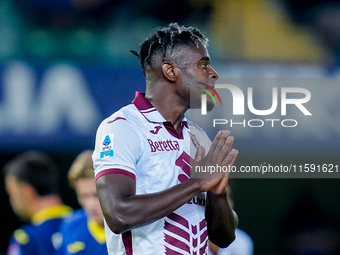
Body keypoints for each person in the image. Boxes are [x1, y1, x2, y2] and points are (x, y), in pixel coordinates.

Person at [93, 22, 239, 255]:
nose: (214, 74)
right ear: (171, 71)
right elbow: (119, 214)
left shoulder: (198, 137)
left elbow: (224, 238)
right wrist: (196, 184)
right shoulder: (123, 127)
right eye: (203, 65)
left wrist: (217, 194)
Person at [4, 150, 72, 255]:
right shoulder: (84, 225)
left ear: (26, 192)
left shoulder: (25, 239)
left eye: (11, 193)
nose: (11, 201)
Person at [57, 150, 107, 255]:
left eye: (96, 195)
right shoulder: (71, 225)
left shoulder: (132, 228)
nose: (90, 204)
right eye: (83, 196)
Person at [208, 186, 254, 255]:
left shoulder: (242, 241)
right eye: (216, 197)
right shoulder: (191, 239)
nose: (222, 205)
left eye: (226, 197)